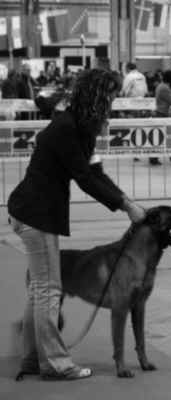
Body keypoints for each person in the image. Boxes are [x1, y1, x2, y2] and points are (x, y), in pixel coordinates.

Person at [7, 68, 146, 381]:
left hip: (36, 211)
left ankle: (32, 358)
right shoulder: (67, 129)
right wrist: (125, 205)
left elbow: (94, 172)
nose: (112, 101)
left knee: (40, 290)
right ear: (97, 97)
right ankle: (56, 364)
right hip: (35, 214)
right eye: (109, 95)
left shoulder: (81, 127)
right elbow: (84, 178)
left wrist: (126, 201)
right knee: (48, 290)